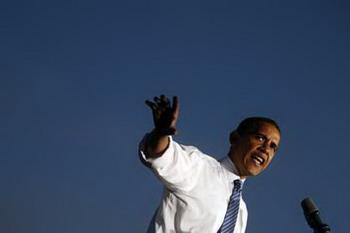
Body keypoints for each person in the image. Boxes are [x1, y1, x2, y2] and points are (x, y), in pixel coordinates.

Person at [139, 95, 281, 233]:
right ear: (235, 138)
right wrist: (160, 134)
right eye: (260, 138)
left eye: (273, 146)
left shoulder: (241, 212)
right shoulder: (199, 168)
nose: (265, 149)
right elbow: (163, 155)